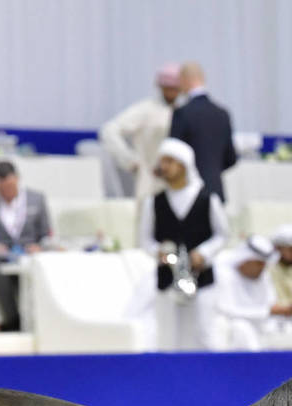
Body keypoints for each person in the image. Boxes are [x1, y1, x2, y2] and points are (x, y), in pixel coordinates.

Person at [139, 138, 229, 351]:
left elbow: (223, 235)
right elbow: (145, 240)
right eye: (163, 161)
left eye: (170, 161)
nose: (165, 167)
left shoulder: (208, 199)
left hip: (202, 280)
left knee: (204, 337)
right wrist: (158, 252)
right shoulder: (154, 202)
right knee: (168, 340)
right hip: (167, 280)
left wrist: (203, 254)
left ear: (184, 164)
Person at [99, 63, 183, 201]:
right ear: (160, 86)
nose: (172, 92)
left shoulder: (184, 112)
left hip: (176, 186)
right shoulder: (146, 110)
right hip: (150, 182)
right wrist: (131, 160)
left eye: (175, 88)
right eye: (168, 88)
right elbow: (109, 131)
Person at [0, 160, 54, 331]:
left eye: (12, 186)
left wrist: (40, 246)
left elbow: (46, 233)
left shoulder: (36, 199)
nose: (9, 191)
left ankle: (39, 322)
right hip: (3, 257)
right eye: (4, 187)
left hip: (31, 253)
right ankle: (13, 321)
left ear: (17, 180)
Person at [170, 62, 238, 202]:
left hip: (187, 193)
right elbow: (231, 158)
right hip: (215, 190)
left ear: (184, 80)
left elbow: (173, 155)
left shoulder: (182, 114)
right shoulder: (222, 114)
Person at [214, 235, 277, 350]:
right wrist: (268, 312)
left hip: (261, 328)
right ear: (245, 259)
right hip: (231, 332)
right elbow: (228, 312)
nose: (262, 268)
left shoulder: (263, 276)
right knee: (241, 327)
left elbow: (271, 304)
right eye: (259, 263)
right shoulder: (223, 273)